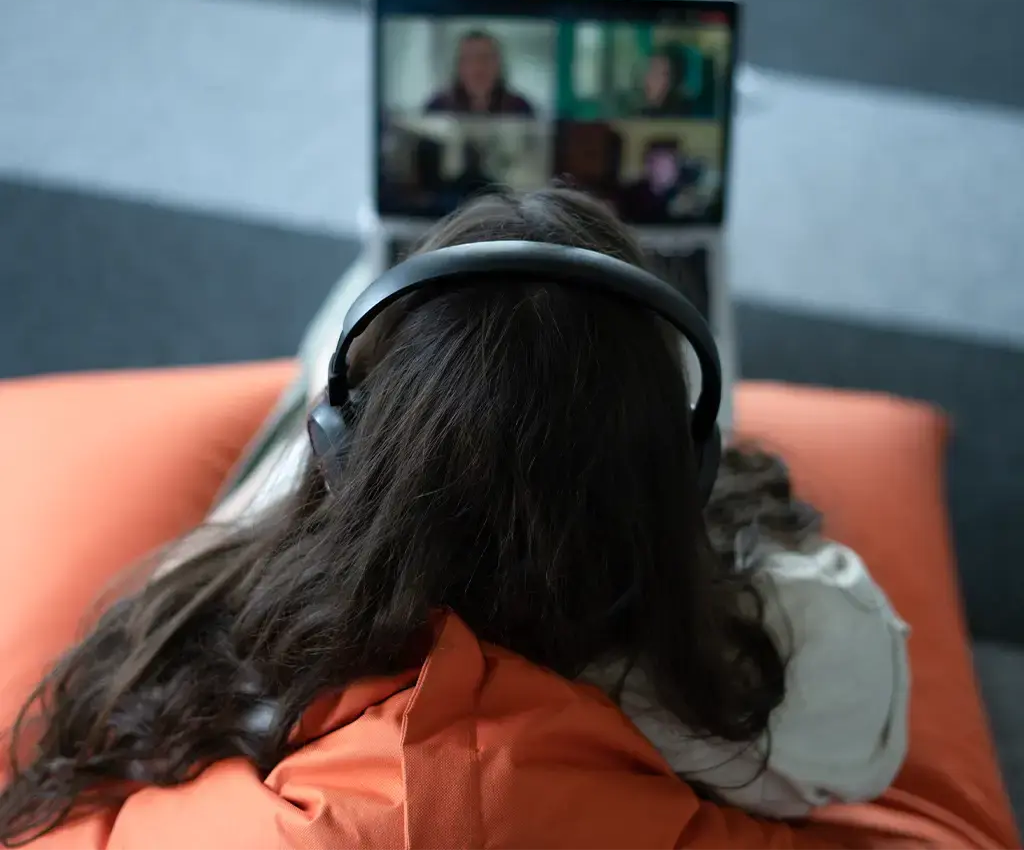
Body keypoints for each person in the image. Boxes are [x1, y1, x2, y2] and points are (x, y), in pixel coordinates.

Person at [0, 188, 907, 845]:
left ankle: (381, 343)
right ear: (688, 475)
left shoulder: (225, 641)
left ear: (343, 453)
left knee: (340, 356)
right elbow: (866, 694)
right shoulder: (771, 693)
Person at [424, 30, 535, 116]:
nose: (477, 67)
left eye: (485, 58)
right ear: (458, 66)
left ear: (498, 64)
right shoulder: (437, 108)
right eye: (469, 59)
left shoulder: (520, 108)